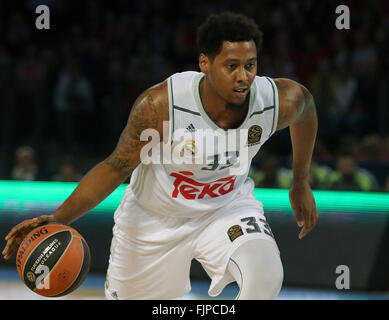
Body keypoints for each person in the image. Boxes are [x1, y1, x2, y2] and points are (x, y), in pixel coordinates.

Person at [2, 12, 318, 300]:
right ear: (205, 63)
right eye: (231, 66)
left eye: (250, 65)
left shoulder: (277, 100)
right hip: (152, 218)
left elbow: (307, 111)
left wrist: (300, 181)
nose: (243, 77)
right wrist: (59, 217)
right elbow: (115, 166)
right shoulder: (162, 105)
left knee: (265, 278)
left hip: (226, 207)